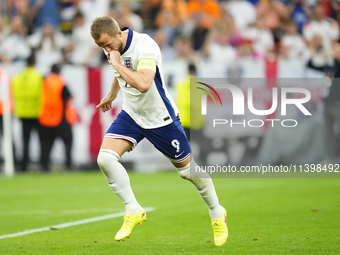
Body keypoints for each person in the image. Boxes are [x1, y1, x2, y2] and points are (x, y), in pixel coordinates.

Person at [90, 16, 227, 246]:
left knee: (187, 172)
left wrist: (116, 63)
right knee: (105, 159)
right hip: (132, 115)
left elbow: (143, 83)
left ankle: (216, 212)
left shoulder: (145, 47)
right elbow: (121, 70)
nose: (107, 50)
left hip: (160, 118)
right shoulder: (112, 47)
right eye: (102, 47)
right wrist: (113, 94)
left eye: (108, 44)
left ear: (118, 33)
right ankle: (133, 210)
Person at [38, 64, 77, 171]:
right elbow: (68, 96)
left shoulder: (44, 81)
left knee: (46, 145)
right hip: (60, 118)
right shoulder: (60, 82)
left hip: (45, 118)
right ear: (59, 71)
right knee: (68, 143)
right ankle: (68, 165)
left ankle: (44, 166)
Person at [12, 54, 43, 171]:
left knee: (25, 141)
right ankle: (41, 164)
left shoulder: (17, 77)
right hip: (36, 112)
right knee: (40, 140)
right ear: (34, 62)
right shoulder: (38, 76)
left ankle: (24, 165)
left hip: (22, 113)